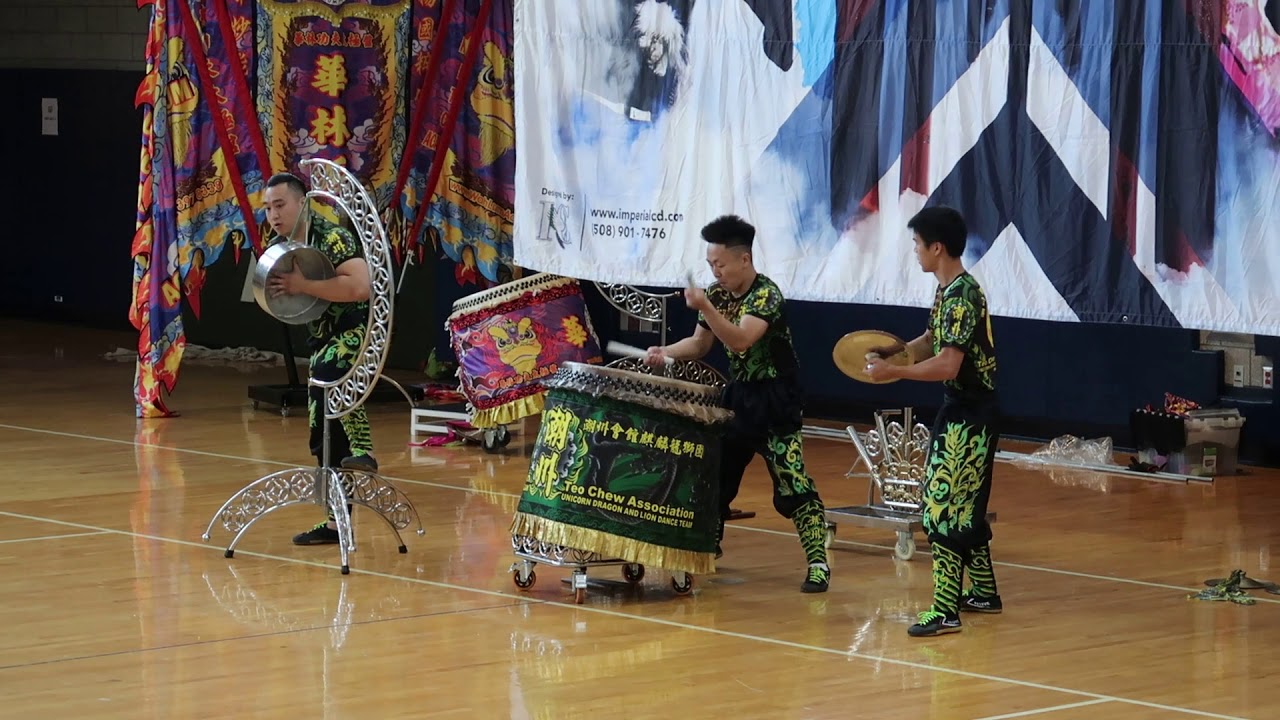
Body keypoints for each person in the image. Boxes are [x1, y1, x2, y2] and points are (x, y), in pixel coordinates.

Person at [645, 215, 830, 593]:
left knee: (793, 482)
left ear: (744, 259)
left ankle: (818, 562)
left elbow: (742, 339)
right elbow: (700, 344)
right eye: (711, 265)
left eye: (721, 264)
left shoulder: (767, 295)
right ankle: (705, 552)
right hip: (741, 395)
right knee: (715, 475)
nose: (716, 272)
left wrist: (707, 308)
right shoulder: (714, 294)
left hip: (778, 399)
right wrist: (666, 353)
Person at [865, 205, 1002, 637]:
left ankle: (945, 610)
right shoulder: (947, 292)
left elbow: (947, 365)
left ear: (937, 247)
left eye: (917, 245)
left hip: (971, 416)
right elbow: (929, 341)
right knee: (966, 508)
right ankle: (983, 591)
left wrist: (895, 373)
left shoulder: (962, 296)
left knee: (943, 509)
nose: (915, 253)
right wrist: (894, 352)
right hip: (962, 411)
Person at [262, 172, 378, 546]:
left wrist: (303, 286)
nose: (273, 215)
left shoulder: (332, 237)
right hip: (322, 342)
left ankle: (364, 450)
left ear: (302, 203)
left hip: (356, 335)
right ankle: (335, 522)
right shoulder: (280, 246)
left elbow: (360, 287)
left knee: (330, 378)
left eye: (280, 205)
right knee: (323, 432)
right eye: (267, 208)